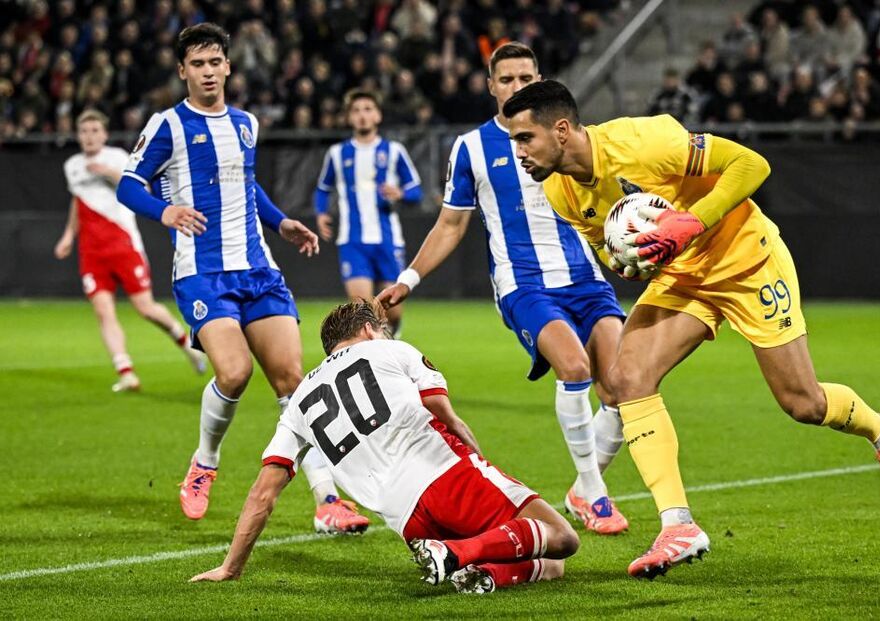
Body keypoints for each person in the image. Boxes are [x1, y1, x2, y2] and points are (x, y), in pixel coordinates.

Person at [503, 80, 880, 578]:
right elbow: (612, 250)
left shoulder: (644, 141)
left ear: (563, 130)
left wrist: (692, 222)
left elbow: (752, 165)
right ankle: (677, 525)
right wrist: (630, 258)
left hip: (746, 260)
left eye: (525, 138)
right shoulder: (560, 191)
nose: (519, 151)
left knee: (803, 403)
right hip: (684, 275)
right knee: (628, 377)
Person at [115, 23, 369, 533]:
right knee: (233, 373)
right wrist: (165, 212)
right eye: (198, 64)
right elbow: (128, 184)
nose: (208, 72)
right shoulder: (168, 125)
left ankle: (327, 503)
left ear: (228, 66)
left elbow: (247, 186)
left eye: (215, 63)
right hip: (203, 272)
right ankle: (205, 462)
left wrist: (282, 223)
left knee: (294, 383)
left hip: (259, 269)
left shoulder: (247, 124)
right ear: (183, 70)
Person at [378, 43, 628, 535]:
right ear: (491, 85)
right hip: (524, 282)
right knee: (574, 366)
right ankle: (594, 494)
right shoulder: (472, 148)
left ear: (540, 80)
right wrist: (410, 278)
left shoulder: (567, 136)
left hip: (585, 276)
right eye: (507, 79)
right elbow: (451, 224)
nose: (517, 87)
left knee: (623, 387)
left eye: (526, 78)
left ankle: (582, 488)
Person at [189, 299, 580, 593]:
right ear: (367, 330)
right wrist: (480, 470)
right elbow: (448, 418)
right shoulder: (392, 350)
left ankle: (475, 568)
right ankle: (459, 555)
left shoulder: (300, 401)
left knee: (548, 562)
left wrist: (231, 567)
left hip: (407, 521)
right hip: (447, 476)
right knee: (560, 536)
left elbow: (263, 494)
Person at [54, 109, 207, 393]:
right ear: (78, 135)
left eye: (94, 131)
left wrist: (110, 173)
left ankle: (187, 345)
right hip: (91, 251)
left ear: (105, 134)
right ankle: (126, 372)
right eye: (84, 132)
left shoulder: (117, 158)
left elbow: (142, 188)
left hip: (123, 245)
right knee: (103, 311)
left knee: (145, 308)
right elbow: (78, 202)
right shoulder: (72, 165)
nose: (89, 137)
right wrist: (67, 236)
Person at [314, 88, 422, 336]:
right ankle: (376, 356)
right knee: (362, 308)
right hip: (353, 241)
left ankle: (393, 331)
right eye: (356, 110)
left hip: (387, 239)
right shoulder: (337, 154)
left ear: (378, 116)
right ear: (349, 118)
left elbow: (416, 191)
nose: (362, 115)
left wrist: (400, 194)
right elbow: (322, 189)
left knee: (391, 312)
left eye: (368, 109)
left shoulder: (394, 151)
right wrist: (321, 213)